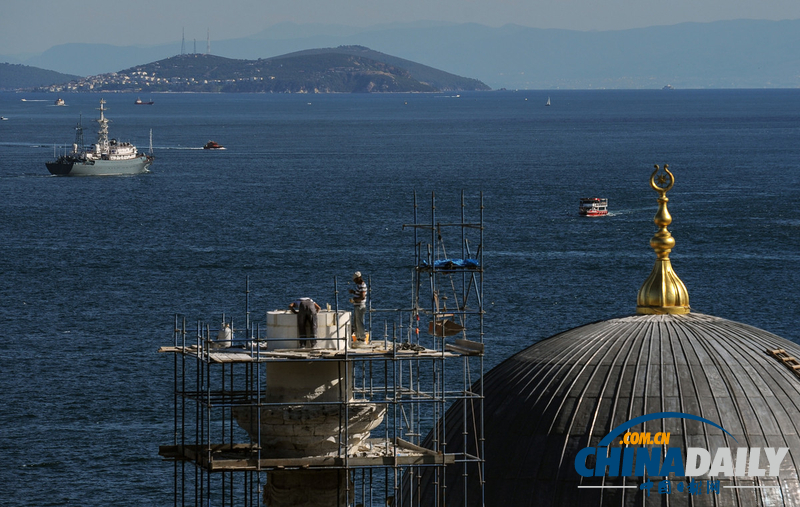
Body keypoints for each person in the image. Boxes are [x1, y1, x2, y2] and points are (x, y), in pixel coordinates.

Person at [349, 271, 367, 342]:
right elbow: (359, 293)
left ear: (358, 278)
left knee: (359, 322)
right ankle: (358, 337)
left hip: (360, 306)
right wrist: (353, 292)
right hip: (357, 305)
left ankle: (362, 337)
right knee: (356, 322)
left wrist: (355, 300)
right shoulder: (359, 286)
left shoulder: (362, 285)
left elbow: (362, 297)